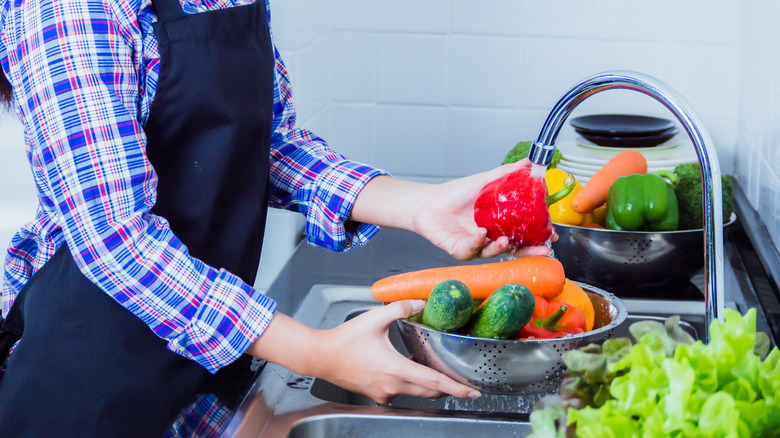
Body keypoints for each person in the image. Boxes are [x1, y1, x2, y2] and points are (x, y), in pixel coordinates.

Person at [0, 0, 550, 435]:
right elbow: (115, 238)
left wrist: (417, 204)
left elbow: (271, 149)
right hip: (82, 380)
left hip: (204, 365)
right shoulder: (68, 9)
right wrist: (316, 353)